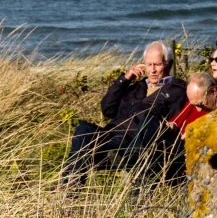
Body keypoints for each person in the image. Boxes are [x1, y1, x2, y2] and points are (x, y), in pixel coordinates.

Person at [63, 39, 187, 184]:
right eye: (149, 65)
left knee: (147, 121)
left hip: (135, 146)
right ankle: (70, 189)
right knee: (83, 130)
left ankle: (124, 163)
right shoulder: (137, 87)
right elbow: (107, 109)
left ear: (169, 64)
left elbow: (173, 124)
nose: (152, 70)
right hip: (111, 137)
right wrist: (124, 79)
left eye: (157, 65)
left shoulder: (177, 90)